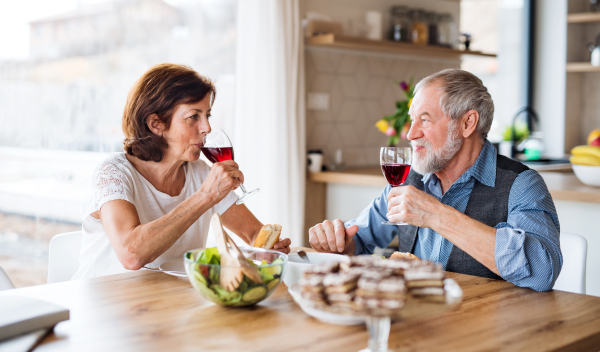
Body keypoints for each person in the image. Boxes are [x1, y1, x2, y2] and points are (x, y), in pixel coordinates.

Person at [308, 69, 562, 292]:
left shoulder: (522, 184)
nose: (411, 133)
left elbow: (542, 273)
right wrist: (341, 241)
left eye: (425, 119)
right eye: (412, 119)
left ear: (467, 123)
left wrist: (437, 215)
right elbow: (360, 240)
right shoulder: (411, 178)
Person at [72, 64, 290, 279]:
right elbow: (131, 255)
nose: (207, 127)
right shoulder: (113, 173)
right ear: (156, 124)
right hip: (103, 306)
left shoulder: (200, 173)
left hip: (169, 303)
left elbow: (253, 234)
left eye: (207, 115)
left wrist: (269, 249)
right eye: (193, 116)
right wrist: (205, 197)